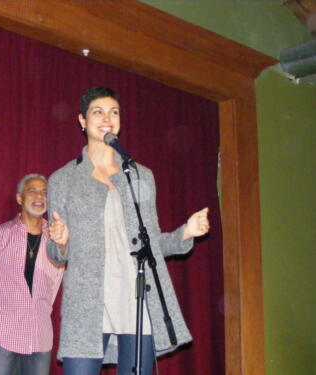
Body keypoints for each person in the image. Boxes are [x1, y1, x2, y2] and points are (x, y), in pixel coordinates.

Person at [47, 87, 210, 375]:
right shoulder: (63, 179)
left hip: (136, 298)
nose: (107, 118)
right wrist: (61, 241)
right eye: (98, 112)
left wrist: (186, 232)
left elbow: (152, 241)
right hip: (88, 302)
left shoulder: (139, 175)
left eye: (114, 112)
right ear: (82, 121)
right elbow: (56, 254)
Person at [0, 174, 64, 375]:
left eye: (44, 192)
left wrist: (41, 310)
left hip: (39, 336)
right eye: (32, 190)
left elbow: (55, 283)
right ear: (19, 198)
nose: (39, 196)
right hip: (2, 333)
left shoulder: (56, 241)